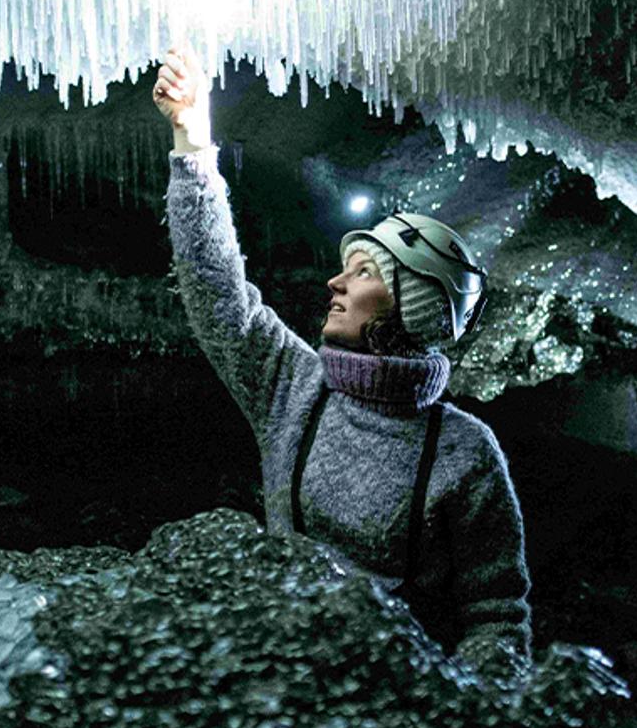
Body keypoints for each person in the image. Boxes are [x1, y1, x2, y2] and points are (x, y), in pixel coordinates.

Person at [152, 47, 532, 678]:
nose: (335, 282)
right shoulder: (295, 389)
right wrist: (192, 142)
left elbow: (495, 616)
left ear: (409, 307)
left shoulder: (464, 453)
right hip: (282, 685)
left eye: (363, 273)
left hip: (394, 705)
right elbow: (219, 296)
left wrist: (463, 713)